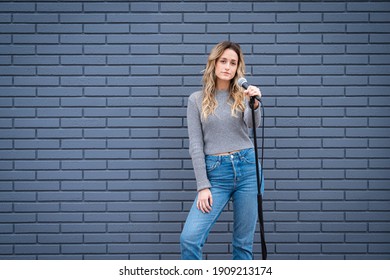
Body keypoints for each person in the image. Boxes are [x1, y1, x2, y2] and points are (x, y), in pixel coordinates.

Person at [180, 41, 264, 260]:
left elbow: (252, 124)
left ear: (238, 68)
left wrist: (254, 105)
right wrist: (202, 186)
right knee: (189, 238)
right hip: (216, 175)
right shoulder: (196, 100)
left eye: (233, 63)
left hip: (248, 171)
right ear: (214, 64)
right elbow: (196, 145)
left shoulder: (243, 95)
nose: (228, 66)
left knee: (243, 245)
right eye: (223, 61)